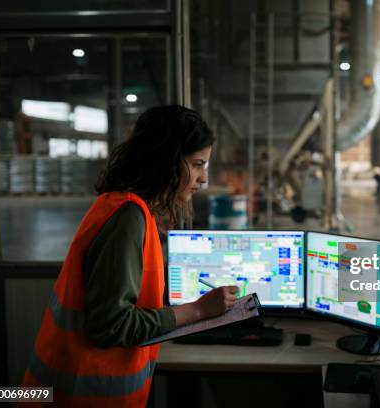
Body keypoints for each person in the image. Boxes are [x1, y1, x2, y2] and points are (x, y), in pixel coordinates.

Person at [21, 105, 239, 407]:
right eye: (198, 164)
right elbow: (110, 325)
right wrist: (198, 311)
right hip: (81, 395)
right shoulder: (127, 217)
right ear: (167, 161)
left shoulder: (122, 205)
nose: (203, 178)